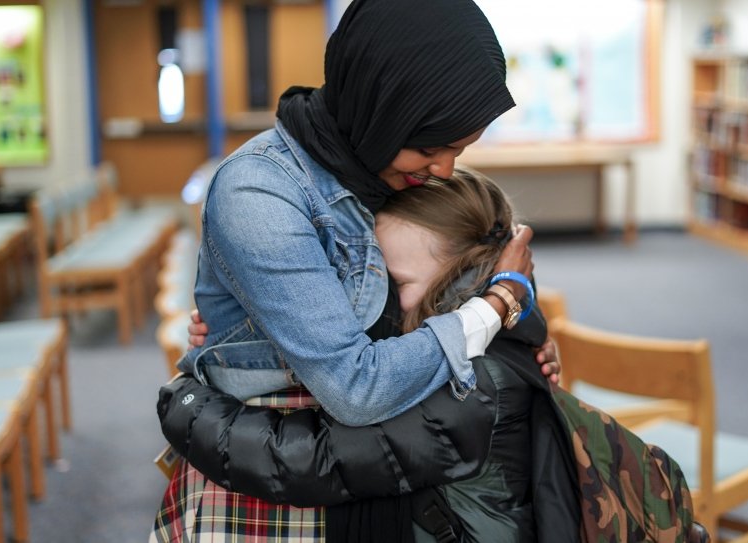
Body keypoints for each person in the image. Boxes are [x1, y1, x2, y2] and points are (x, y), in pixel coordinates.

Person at [152, 0, 558, 540]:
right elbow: (355, 387)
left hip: (372, 482)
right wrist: (496, 307)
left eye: (458, 148)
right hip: (275, 484)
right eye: (431, 146)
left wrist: (522, 344)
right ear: (380, 105)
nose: (445, 169)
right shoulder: (260, 191)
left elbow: (461, 270)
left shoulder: (380, 169)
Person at [155, 168, 709, 543]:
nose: (376, 305)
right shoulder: (476, 335)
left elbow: (305, 460)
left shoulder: (468, 388)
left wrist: (184, 401)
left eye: (395, 283)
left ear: (458, 282)